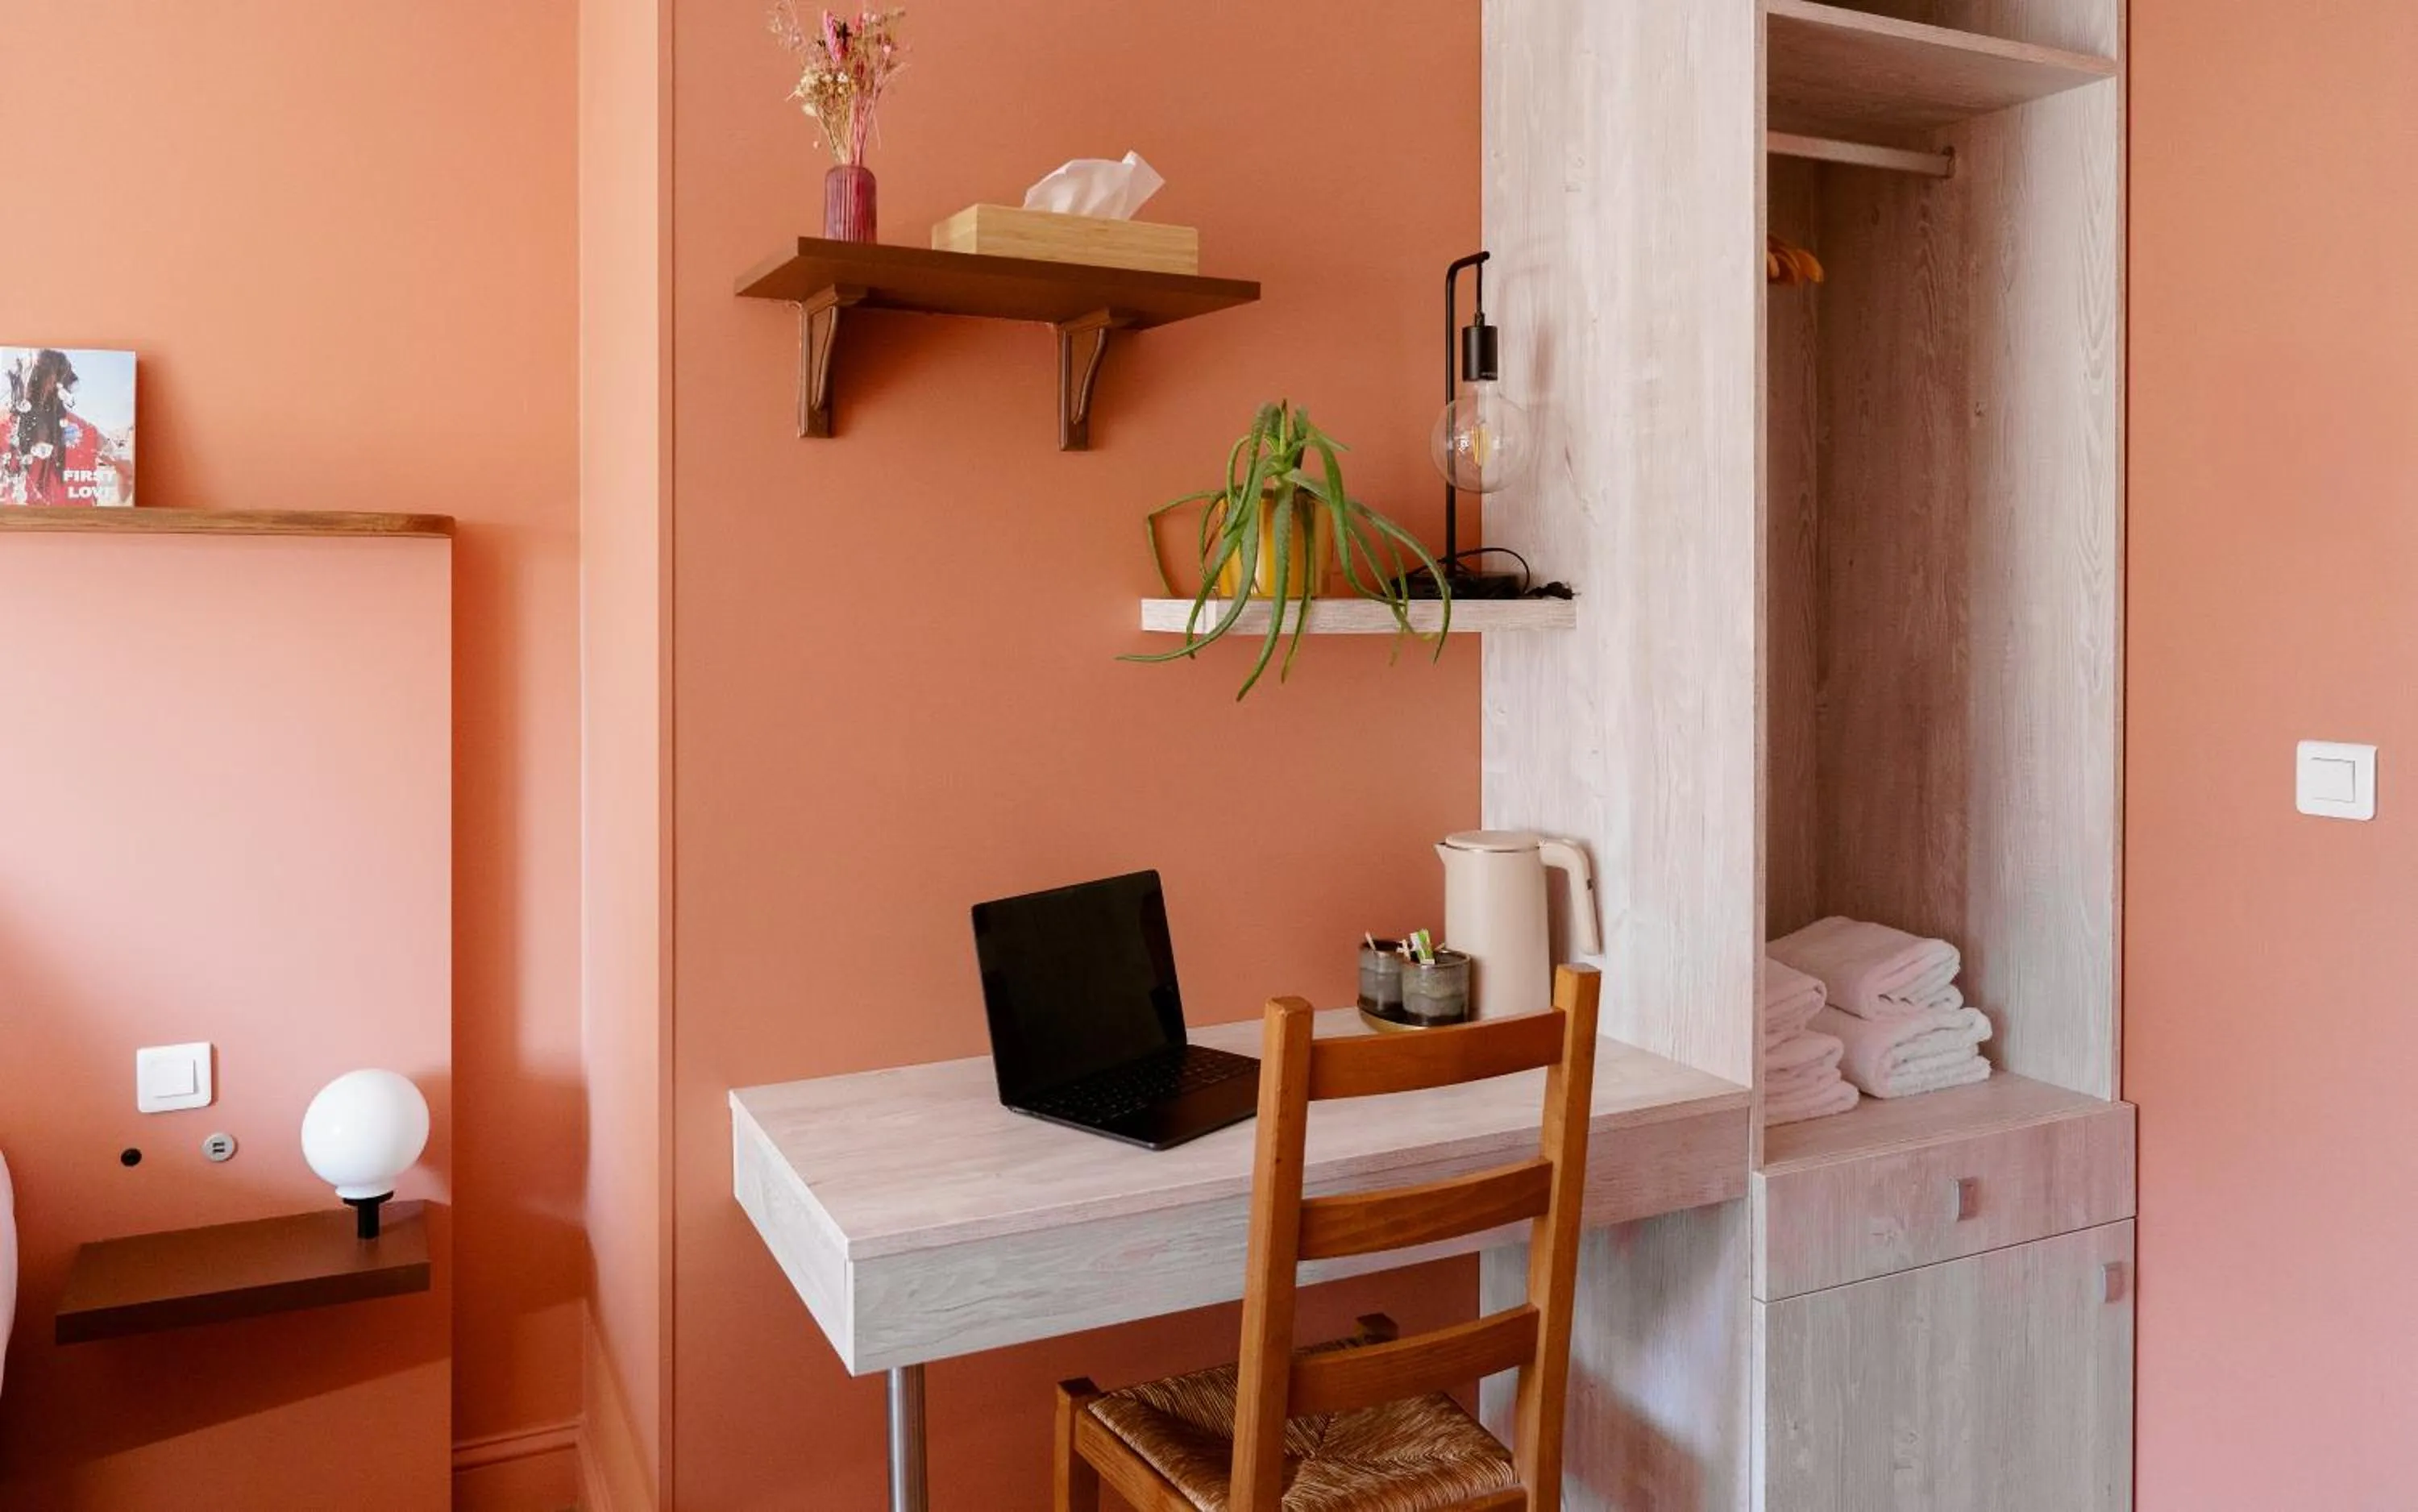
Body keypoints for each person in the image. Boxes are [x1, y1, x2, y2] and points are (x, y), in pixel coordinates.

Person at [3, 349, 125, 506]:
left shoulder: (5, 427)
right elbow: (128, 470)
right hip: (80, 521)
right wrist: (118, 510)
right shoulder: (88, 432)